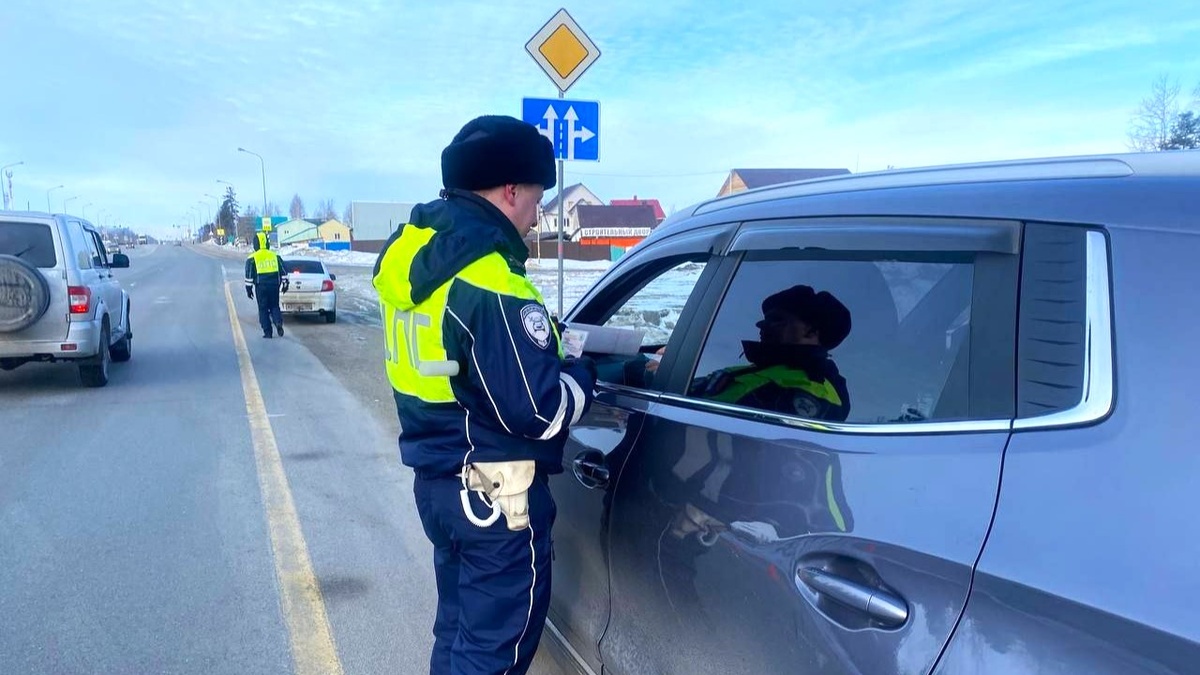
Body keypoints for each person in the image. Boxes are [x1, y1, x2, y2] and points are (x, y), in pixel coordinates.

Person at [372, 115, 597, 675]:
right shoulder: (487, 275)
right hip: (496, 500)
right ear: (511, 190)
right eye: (537, 200)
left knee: (458, 635)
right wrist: (586, 377)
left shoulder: (411, 258)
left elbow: (465, 358)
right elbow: (540, 411)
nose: (536, 215)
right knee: (493, 650)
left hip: (441, 485)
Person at [689, 284, 853, 421]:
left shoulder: (812, 393)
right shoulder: (756, 371)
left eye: (776, 320)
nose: (760, 325)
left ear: (810, 332)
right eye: (765, 319)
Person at [244, 232, 287, 338]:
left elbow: (249, 275)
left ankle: (268, 332)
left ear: (255, 244)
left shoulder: (252, 258)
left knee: (263, 309)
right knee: (274, 306)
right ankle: (278, 323)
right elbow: (283, 271)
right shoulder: (275, 256)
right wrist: (285, 283)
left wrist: (249, 289)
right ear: (267, 243)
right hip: (274, 285)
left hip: (261, 286)